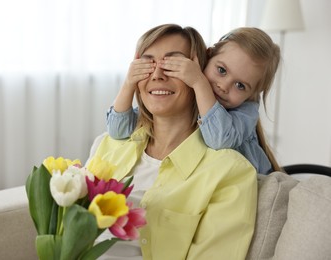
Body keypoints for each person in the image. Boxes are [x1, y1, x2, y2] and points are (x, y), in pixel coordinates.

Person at [88, 24, 257, 260]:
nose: (157, 75)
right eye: (147, 64)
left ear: (200, 76)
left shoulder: (230, 172)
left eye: (173, 65)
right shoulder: (106, 145)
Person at [106, 27, 281, 174]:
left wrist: (199, 81)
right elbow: (117, 130)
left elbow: (219, 139)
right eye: (221, 70)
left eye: (240, 86)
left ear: (253, 94)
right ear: (207, 56)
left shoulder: (245, 111)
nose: (223, 86)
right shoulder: (189, 100)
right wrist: (129, 83)